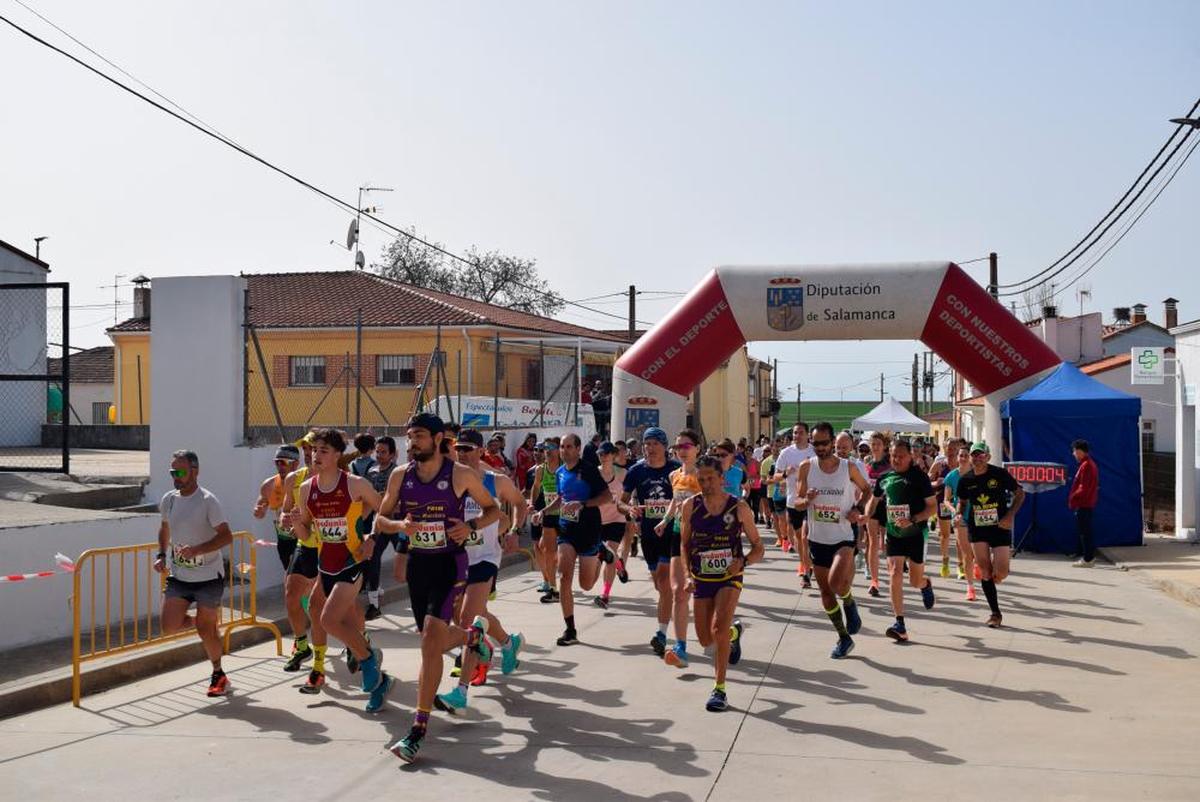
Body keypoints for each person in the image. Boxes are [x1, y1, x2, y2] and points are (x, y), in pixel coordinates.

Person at [375, 413, 500, 763]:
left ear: (437, 438)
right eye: (409, 436)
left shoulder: (460, 474)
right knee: (432, 640)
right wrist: (399, 524)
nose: (411, 443)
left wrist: (470, 526)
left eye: (418, 436)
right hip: (419, 565)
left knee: (431, 642)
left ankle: (417, 728)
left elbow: (494, 511)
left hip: (450, 564)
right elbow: (380, 518)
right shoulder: (401, 476)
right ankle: (473, 638)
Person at [290, 428, 387, 709]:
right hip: (326, 566)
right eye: (313, 450)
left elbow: (386, 510)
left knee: (328, 620)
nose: (315, 455)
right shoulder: (307, 489)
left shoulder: (355, 484)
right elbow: (306, 533)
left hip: (353, 563)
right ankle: (377, 675)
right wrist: (295, 521)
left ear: (337, 456)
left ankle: (367, 660)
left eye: (323, 451)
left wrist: (372, 539)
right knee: (334, 617)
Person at [435, 428, 527, 712]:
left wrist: (513, 530)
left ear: (480, 450)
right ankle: (507, 643)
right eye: (458, 448)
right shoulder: (449, 481)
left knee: (468, 620)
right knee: (474, 615)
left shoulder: (495, 480)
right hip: (455, 559)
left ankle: (460, 693)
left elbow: (520, 503)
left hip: (485, 559)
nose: (461, 453)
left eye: (467, 448)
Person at [680, 456, 764, 712]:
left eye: (710, 479)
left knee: (718, 627)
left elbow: (759, 547)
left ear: (722, 479)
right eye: (701, 479)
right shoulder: (689, 506)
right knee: (706, 639)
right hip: (702, 579)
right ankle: (734, 634)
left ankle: (719, 689)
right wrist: (686, 574)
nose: (705, 484)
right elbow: (684, 544)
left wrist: (744, 563)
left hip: (729, 577)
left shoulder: (738, 508)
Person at [156, 450, 234, 697]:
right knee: (169, 626)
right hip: (180, 576)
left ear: (195, 471)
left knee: (205, 630)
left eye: (180, 472)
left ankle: (218, 674)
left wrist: (198, 550)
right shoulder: (169, 499)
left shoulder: (208, 501)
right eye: (172, 472)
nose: (175, 477)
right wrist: (161, 555)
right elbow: (164, 529)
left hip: (209, 578)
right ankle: (206, 626)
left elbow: (226, 536)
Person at [796, 423, 872, 658]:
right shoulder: (806, 467)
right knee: (826, 593)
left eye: (824, 443)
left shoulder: (848, 468)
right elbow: (797, 501)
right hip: (818, 538)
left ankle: (849, 602)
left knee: (837, 583)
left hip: (843, 536)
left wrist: (857, 508)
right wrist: (806, 500)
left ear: (832, 443)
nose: (819, 448)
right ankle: (843, 638)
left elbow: (867, 491)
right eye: (815, 443)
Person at [535, 433, 614, 646]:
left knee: (586, 585)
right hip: (567, 531)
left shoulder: (588, 470)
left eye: (569, 446)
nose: (564, 450)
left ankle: (601, 553)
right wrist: (543, 511)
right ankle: (570, 630)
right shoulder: (560, 472)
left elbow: (607, 497)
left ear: (578, 449)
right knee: (564, 577)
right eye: (562, 446)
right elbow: (562, 498)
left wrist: (583, 504)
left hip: (589, 530)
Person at [867, 439, 937, 642]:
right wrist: (865, 515)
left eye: (900, 456)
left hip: (916, 534)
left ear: (910, 456)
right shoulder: (885, 477)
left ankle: (925, 584)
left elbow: (932, 507)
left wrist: (913, 519)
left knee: (914, 580)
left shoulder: (919, 477)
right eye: (893, 455)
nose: (896, 459)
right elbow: (874, 500)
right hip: (894, 535)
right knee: (895, 572)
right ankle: (899, 624)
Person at [251, 444, 312, 669]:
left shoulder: (305, 481)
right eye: (277, 461)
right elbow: (261, 503)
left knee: (296, 586)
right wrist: (259, 509)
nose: (279, 465)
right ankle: (306, 631)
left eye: (284, 461)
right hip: (285, 542)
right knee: (296, 588)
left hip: (306, 540)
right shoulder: (270, 484)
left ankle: (306, 634)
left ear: (296, 463)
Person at [622, 427, 681, 656]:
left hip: (672, 533)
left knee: (665, 584)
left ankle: (661, 634)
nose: (650, 448)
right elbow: (622, 502)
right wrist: (630, 509)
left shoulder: (676, 470)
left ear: (665, 446)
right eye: (647, 444)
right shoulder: (636, 471)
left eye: (655, 443)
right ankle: (669, 613)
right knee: (660, 585)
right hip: (648, 535)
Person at [955, 442, 1024, 627]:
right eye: (974, 455)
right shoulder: (966, 480)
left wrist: (1010, 515)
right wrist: (959, 513)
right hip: (977, 529)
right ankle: (995, 613)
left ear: (988, 457)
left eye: (980, 455)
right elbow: (962, 502)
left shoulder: (998, 474)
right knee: (985, 570)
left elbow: (1020, 493)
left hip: (1000, 526)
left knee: (1000, 572)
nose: (977, 458)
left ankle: (998, 574)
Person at [657, 428, 703, 668]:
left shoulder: (705, 476)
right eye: (677, 447)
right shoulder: (674, 475)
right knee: (678, 592)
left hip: (702, 540)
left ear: (697, 448)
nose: (681, 451)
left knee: (707, 598)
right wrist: (665, 521)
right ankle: (681, 647)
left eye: (686, 446)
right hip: (678, 536)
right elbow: (675, 501)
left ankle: (728, 632)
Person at [363, 436, 399, 620]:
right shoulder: (372, 472)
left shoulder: (399, 472)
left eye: (384, 452)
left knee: (409, 562)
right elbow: (367, 499)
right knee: (372, 559)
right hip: (379, 524)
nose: (379, 455)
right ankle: (373, 604)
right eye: (377, 451)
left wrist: (390, 502)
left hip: (399, 524)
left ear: (392, 454)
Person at [776, 423, 816, 587]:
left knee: (806, 537)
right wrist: (786, 473)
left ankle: (807, 571)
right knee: (800, 538)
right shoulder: (786, 453)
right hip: (794, 500)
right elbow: (775, 475)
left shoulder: (814, 452)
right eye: (794, 432)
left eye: (800, 432)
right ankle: (805, 565)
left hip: (813, 500)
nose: (796, 435)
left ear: (807, 435)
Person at [594, 441, 632, 609]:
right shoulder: (594, 474)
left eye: (606, 454)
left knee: (609, 552)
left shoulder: (623, 474)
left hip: (617, 520)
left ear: (613, 455)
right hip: (597, 521)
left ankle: (605, 594)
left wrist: (631, 510)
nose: (603, 457)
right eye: (600, 454)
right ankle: (620, 566)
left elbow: (630, 495)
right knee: (603, 558)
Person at [529, 438, 563, 601]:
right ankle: (553, 589)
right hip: (549, 515)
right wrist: (532, 504)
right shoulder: (540, 470)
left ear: (558, 450)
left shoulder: (565, 468)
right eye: (544, 448)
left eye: (550, 447)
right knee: (548, 552)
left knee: (565, 552)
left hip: (567, 516)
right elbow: (536, 487)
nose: (547, 451)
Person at [943, 447, 977, 600]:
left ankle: (976, 565)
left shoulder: (977, 474)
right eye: (961, 455)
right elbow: (946, 499)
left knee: (977, 551)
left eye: (966, 455)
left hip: (977, 515)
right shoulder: (951, 476)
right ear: (957, 457)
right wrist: (953, 511)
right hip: (959, 516)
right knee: (966, 553)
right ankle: (970, 588)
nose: (963, 458)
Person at [863, 431, 893, 597]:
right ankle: (874, 581)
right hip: (871, 506)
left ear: (884, 446)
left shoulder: (889, 465)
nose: (874, 447)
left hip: (887, 507)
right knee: (873, 543)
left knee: (889, 543)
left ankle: (892, 575)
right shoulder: (866, 464)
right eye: (872, 444)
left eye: (878, 444)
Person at [928, 438, 960, 579]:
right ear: (944, 449)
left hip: (960, 503)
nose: (951, 451)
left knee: (960, 536)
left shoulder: (963, 465)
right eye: (949, 448)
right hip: (944, 502)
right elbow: (927, 483)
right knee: (945, 535)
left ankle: (961, 566)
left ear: (958, 449)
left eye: (954, 448)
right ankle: (945, 562)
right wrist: (936, 482)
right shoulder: (939, 465)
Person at [1069, 439, 1099, 567]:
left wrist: (1073, 498)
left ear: (1080, 451)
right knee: (1084, 531)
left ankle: (1088, 559)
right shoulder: (1086, 464)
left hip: (1084, 503)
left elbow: (1083, 487)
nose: (1073, 454)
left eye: (1074, 451)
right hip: (1085, 503)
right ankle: (1085, 555)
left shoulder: (1087, 465)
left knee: (1085, 532)